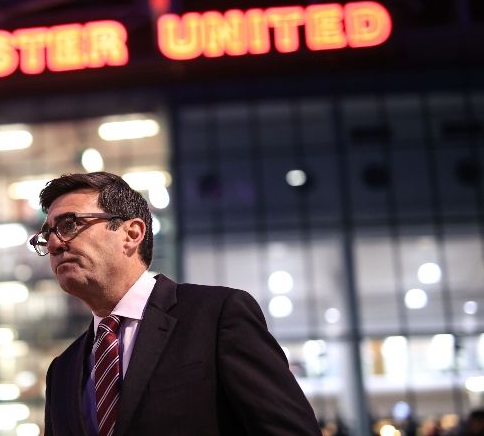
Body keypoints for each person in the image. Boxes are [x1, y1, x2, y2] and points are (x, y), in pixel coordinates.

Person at [31, 171, 321, 436]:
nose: (55, 244)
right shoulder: (62, 371)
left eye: (70, 224)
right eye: (47, 235)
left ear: (132, 234)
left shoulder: (218, 316)